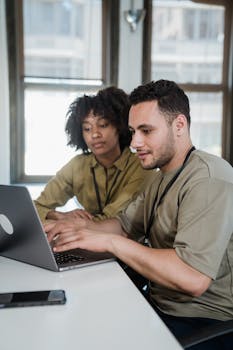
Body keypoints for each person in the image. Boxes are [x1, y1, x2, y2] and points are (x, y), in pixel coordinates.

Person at [45, 80, 233, 349]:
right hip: (158, 306)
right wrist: (73, 230)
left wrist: (111, 243)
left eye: (146, 131)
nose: (134, 142)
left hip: (202, 322)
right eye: (133, 131)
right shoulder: (161, 177)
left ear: (179, 125)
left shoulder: (210, 178)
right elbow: (123, 226)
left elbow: (193, 278)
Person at [35, 86, 153, 222]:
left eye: (103, 125)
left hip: (123, 240)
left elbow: (114, 217)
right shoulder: (77, 165)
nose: (95, 134)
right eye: (87, 128)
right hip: (82, 239)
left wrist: (69, 222)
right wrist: (57, 215)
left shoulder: (141, 166)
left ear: (119, 126)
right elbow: (36, 207)